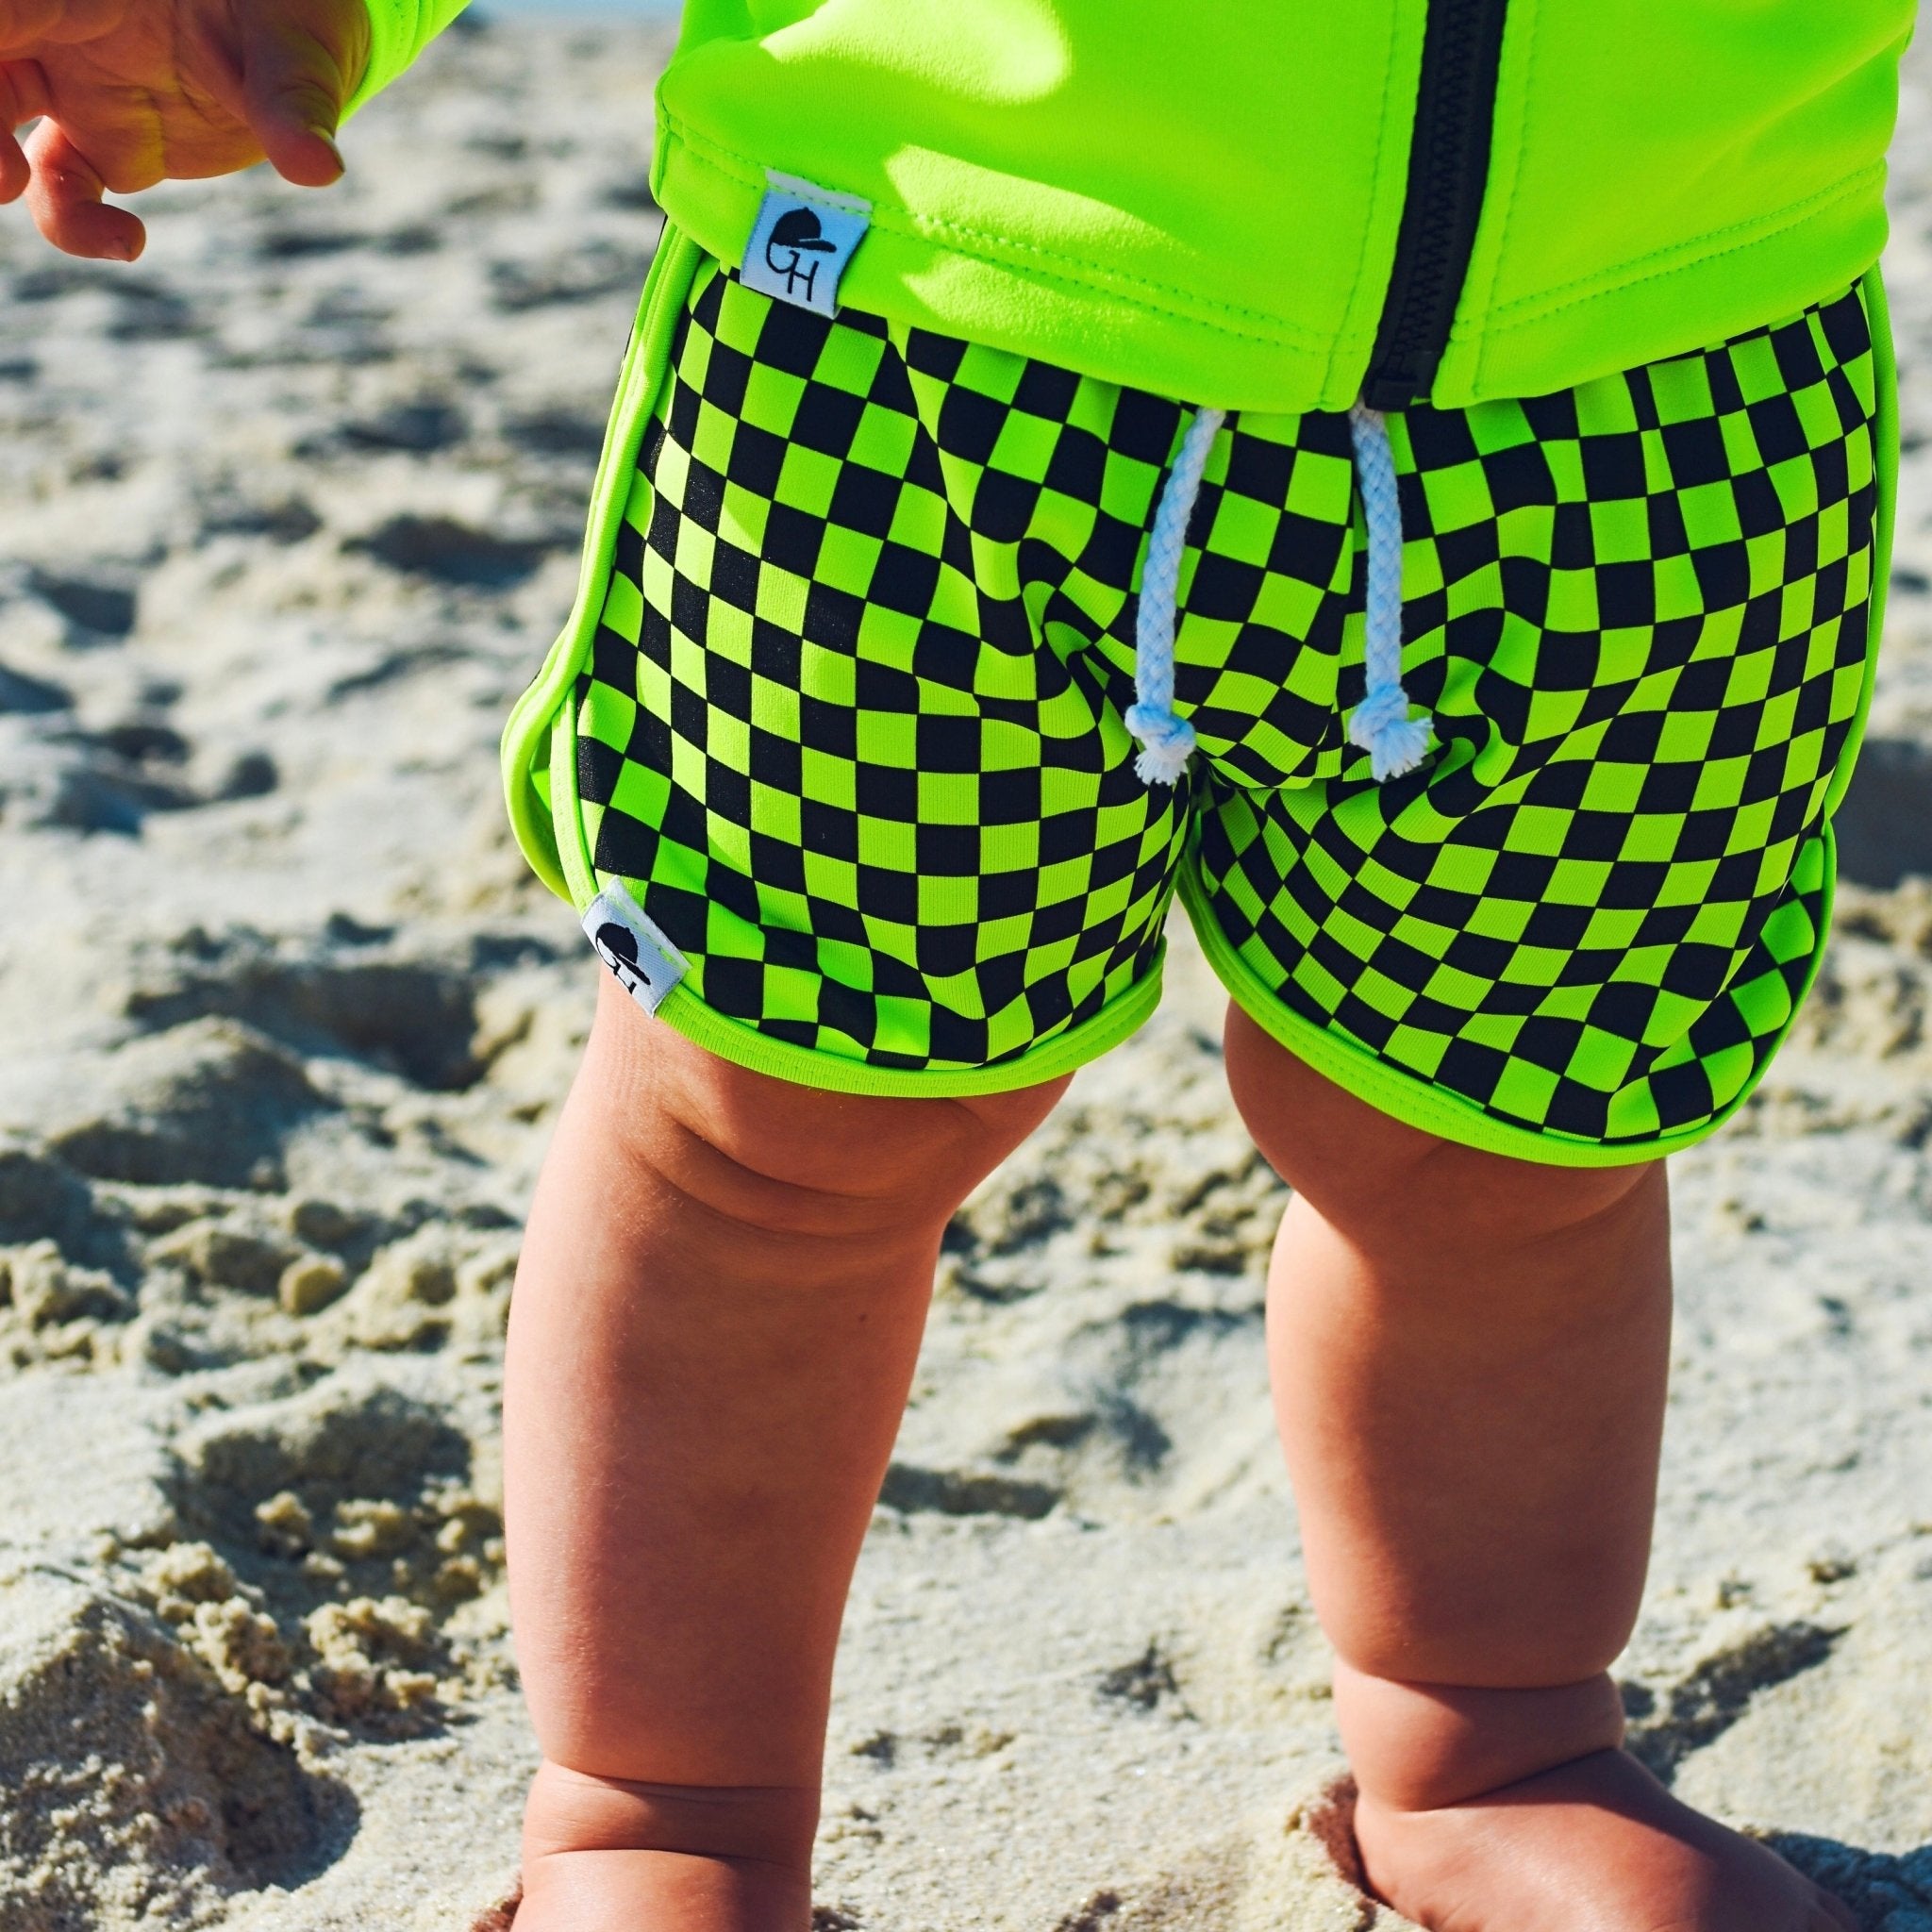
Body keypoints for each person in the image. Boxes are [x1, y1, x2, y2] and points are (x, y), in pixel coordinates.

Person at [3, 3, 1910, 1927]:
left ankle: (1489, 1731)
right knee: (774, 1132)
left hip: (1664, 384)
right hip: (931, 344)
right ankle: (661, 1811)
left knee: (1508, 1135)